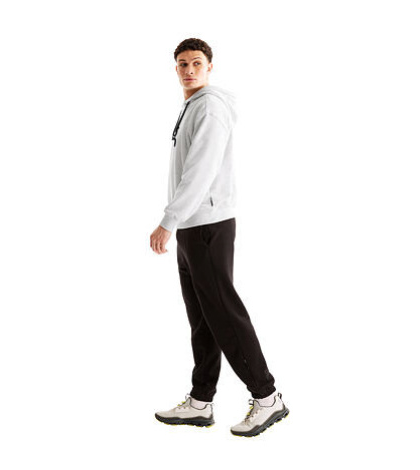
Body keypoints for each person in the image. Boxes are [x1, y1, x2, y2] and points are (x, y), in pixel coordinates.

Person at [150, 38, 289, 437]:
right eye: (182, 64)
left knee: (224, 313)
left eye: (196, 62)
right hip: (193, 226)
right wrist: (178, 222)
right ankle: (201, 401)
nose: (189, 70)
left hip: (206, 224)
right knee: (203, 318)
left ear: (210, 66)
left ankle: (267, 398)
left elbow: (201, 168)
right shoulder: (192, 106)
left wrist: (169, 220)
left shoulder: (210, 106)